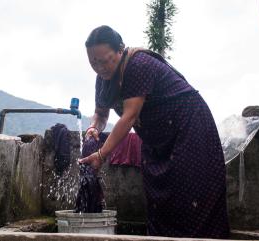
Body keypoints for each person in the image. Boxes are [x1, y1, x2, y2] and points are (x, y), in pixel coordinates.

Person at [79, 25, 229, 238]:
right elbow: (101, 114)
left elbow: (129, 116)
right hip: (157, 137)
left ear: (120, 49)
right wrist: (94, 127)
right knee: (160, 198)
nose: (99, 67)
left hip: (188, 126)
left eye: (105, 60)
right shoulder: (102, 80)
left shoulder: (138, 64)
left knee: (191, 194)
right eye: (93, 62)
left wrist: (102, 154)